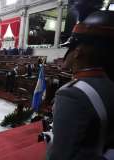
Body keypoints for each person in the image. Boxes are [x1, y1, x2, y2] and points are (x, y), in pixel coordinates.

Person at [47, 8, 114, 160]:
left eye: (69, 47)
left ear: (77, 52)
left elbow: (59, 155)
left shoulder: (72, 94)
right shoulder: (109, 84)